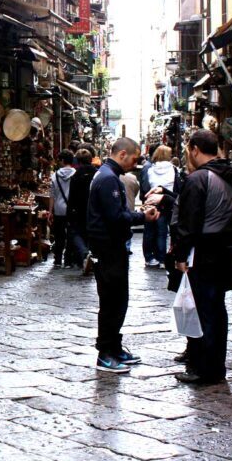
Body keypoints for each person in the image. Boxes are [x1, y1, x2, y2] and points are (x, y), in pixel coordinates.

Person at [171, 130, 232, 385]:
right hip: (224, 251)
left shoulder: (199, 179)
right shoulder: (231, 176)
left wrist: (180, 254)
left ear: (194, 149)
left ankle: (204, 369)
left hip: (203, 252)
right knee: (217, 310)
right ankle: (214, 365)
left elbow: (188, 223)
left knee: (203, 310)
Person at [84, 137, 158, 373]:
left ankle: (114, 347)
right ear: (123, 154)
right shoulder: (108, 179)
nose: (135, 164)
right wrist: (142, 217)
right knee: (112, 301)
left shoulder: (108, 176)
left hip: (110, 247)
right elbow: (115, 217)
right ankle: (105, 353)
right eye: (134, 158)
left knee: (118, 299)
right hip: (108, 248)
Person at [141, 145, 178, 268]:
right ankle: (162, 259)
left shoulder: (150, 169)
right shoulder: (173, 169)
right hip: (167, 202)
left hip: (151, 202)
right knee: (162, 232)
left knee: (149, 232)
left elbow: (145, 187)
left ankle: (149, 257)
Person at [66, 147, 97, 272]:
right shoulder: (97, 174)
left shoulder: (76, 176)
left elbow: (72, 196)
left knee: (76, 234)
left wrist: (69, 213)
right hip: (93, 209)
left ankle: (84, 255)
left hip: (78, 210)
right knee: (91, 234)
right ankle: (90, 257)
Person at [48, 150, 76, 268]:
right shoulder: (76, 174)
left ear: (63, 161)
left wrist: (50, 211)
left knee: (59, 236)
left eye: (59, 160)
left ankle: (58, 260)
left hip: (59, 209)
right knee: (71, 235)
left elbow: (52, 195)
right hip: (72, 209)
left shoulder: (55, 176)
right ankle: (68, 261)